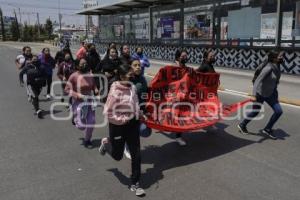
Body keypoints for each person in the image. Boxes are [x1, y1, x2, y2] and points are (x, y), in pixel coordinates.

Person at [98, 64, 145, 197]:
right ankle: (106, 144)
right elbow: (108, 113)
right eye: (128, 74)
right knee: (117, 156)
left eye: (131, 73)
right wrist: (123, 119)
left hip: (132, 125)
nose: (131, 75)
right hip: (117, 126)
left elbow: (135, 104)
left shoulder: (133, 87)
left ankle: (135, 183)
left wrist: (139, 114)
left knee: (136, 154)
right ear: (121, 76)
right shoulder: (115, 91)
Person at [238, 50, 284, 140]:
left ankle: (267, 129)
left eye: (282, 56)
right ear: (274, 58)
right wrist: (253, 95)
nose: (282, 58)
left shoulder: (277, 65)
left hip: (271, 94)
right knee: (255, 112)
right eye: (280, 56)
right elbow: (257, 81)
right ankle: (242, 125)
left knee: (279, 111)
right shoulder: (268, 68)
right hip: (261, 93)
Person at [65, 59, 99, 147]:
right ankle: (75, 119)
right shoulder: (73, 76)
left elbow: (93, 84)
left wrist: (95, 89)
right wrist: (77, 95)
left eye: (85, 63)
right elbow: (67, 89)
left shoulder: (90, 74)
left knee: (91, 122)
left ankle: (87, 140)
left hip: (89, 101)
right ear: (77, 66)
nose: (84, 65)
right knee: (81, 126)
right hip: (78, 102)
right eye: (82, 64)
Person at [123, 59, 150, 160]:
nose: (138, 67)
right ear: (130, 67)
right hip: (130, 111)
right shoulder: (127, 80)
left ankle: (128, 139)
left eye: (139, 65)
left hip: (141, 111)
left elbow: (146, 94)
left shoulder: (142, 79)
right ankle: (127, 147)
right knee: (132, 131)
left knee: (145, 131)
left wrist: (146, 109)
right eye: (135, 65)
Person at [172, 49, 190, 146]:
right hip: (174, 96)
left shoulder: (186, 68)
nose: (185, 58)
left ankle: (178, 136)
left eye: (186, 56)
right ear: (178, 57)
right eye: (183, 56)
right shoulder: (173, 68)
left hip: (183, 96)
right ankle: (177, 135)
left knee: (181, 115)